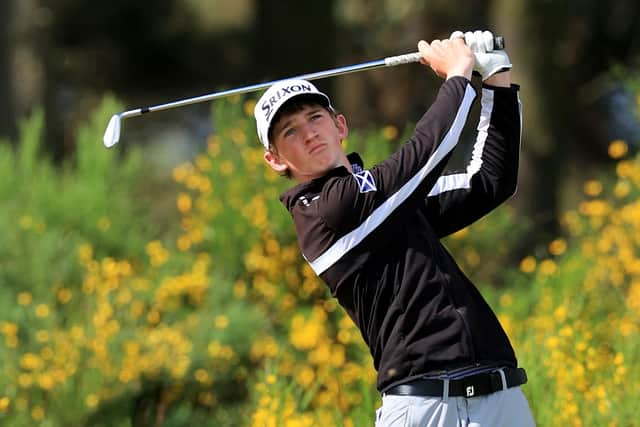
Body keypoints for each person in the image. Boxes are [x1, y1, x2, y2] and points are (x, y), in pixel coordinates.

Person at [253, 30, 535, 427]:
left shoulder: (391, 202)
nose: (309, 133)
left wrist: (496, 80)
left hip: (499, 395)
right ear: (276, 160)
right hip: (422, 407)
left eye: (314, 118)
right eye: (289, 132)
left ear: (340, 125)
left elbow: (489, 182)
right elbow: (421, 156)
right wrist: (457, 76)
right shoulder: (322, 213)